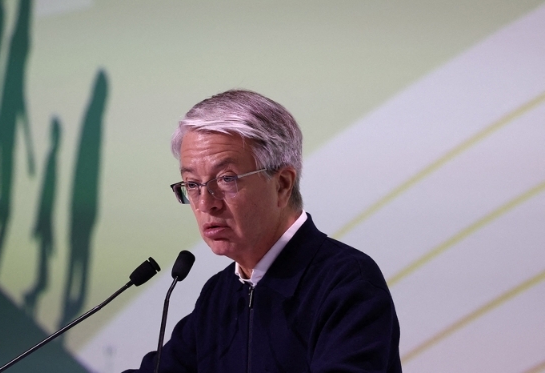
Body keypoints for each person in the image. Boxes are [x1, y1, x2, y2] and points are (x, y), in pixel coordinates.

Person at [127, 89, 401, 372]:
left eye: (226, 179)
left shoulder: (346, 284)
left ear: (282, 184)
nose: (206, 204)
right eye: (192, 184)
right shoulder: (219, 295)